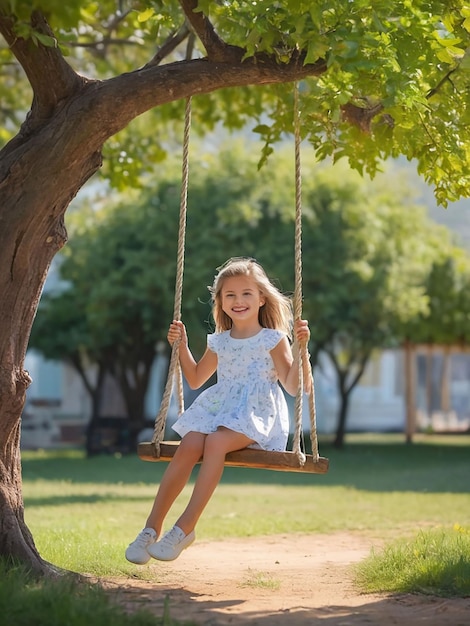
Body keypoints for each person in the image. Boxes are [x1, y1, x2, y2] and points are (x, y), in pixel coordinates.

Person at [125, 257, 312, 564]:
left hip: (255, 413)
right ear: (221, 303)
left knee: (215, 442)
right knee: (189, 444)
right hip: (220, 408)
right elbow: (197, 377)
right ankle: (150, 529)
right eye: (230, 295)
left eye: (246, 294)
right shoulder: (220, 341)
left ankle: (184, 528)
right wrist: (181, 346)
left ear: (262, 298)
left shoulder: (273, 339)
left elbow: (294, 387)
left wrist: (301, 350)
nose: (238, 301)